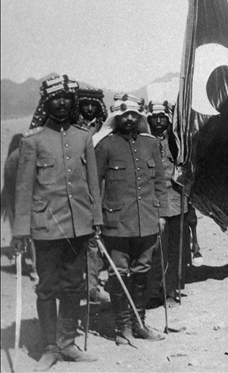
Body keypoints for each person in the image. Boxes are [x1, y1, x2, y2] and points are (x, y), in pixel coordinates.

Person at [12, 75, 101, 365]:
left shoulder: (83, 137)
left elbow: (92, 185)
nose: (61, 104)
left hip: (78, 225)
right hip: (46, 228)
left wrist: (95, 221)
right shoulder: (32, 141)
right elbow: (24, 190)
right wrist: (21, 230)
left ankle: (68, 344)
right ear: (46, 102)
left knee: (75, 285)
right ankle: (50, 347)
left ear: (73, 101)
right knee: (47, 287)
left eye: (66, 98)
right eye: (55, 99)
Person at [94, 93, 167, 343]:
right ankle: (122, 328)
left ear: (139, 117)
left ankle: (140, 324)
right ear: (115, 118)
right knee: (118, 273)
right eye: (123, 115)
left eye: (133, 115)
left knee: (142, 271)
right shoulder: (104, 145)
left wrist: (161, 214)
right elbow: (95, 185)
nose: (129, 119)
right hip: (116, 223)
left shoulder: (150, 144)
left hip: (147, 218)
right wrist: (96, 219)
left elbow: (159, 181)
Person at [145, 100, 189, 307]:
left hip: (176, 200)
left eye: (163, 117)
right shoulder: (142, 141)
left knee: (175, 250)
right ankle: (153, 291)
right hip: (152, 203)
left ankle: (171, 290)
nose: (159, 121)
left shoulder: (176, 140)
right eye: (155, 117)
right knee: (154, 250)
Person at [75, 86, 110, 305]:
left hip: (103, 187)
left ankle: (93, 285)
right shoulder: (73, 127)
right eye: (85, 104)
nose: (89, 108)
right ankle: (84, 285)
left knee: (98, 239)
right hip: (79, 188)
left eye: (93, 105)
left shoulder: (105, 128)